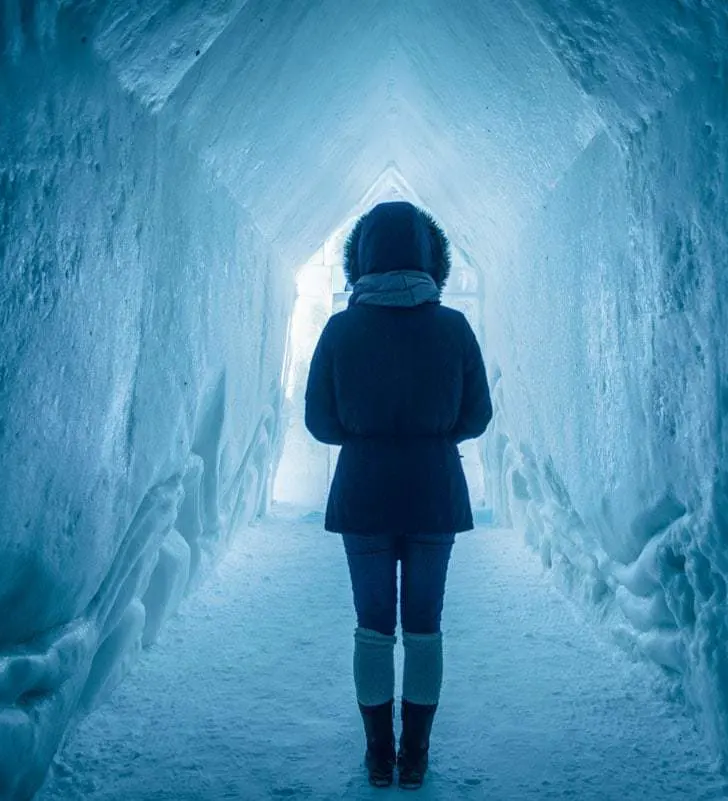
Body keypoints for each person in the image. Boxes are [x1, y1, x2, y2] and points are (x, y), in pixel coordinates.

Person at [304, 201, 493, 789]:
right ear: (431, 259)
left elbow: (320, 422)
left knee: (373, 626)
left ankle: (378, 754)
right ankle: (415, 756)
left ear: (359, 259)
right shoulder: (454, 327)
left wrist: (366, 437)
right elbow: (478, 416)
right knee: (424, 625)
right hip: (435, 491)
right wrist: (431, 437)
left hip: (363, 493)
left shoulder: (340, 329)